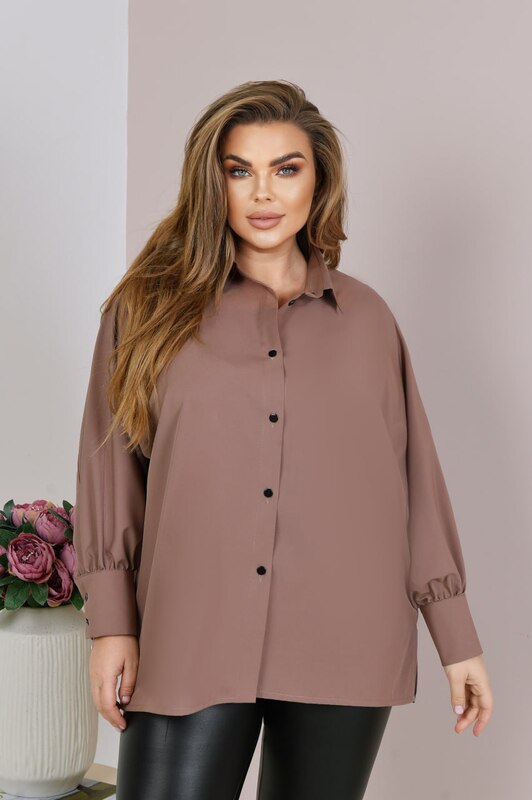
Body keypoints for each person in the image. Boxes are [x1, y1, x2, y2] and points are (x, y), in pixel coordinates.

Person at [73, 80, 493, 799]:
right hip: (192, 632)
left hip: (345, 634)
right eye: (240, 171)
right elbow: (110, 468)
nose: (263, 193)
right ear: (213, 184)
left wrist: (457, 638)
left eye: (286, 169)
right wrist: (113, 624)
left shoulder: (368, 322)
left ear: (318, 181)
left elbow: (414, 487)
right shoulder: (146, 310)